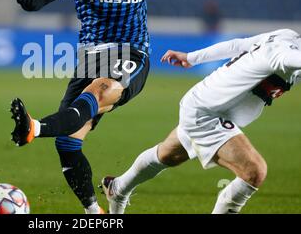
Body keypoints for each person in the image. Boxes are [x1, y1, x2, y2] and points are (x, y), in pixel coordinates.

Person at [11, 0, 220, 214]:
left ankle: (34, 128)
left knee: (100, 89)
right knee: (68, 142)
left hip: (131, 52)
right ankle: (95, 213)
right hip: (90, 58)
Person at [101, 29, 301, 214]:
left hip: (206, 104)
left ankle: (117, 187)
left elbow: (238, 45)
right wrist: (191, 58)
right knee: (254, 171)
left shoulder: (286, 35)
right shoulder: (283, 54)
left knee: (169, 155)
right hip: (207, 113)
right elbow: (280, 56)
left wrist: (191, 57)